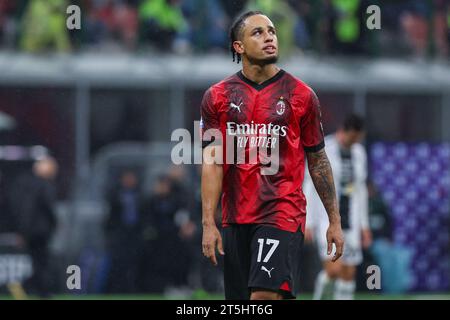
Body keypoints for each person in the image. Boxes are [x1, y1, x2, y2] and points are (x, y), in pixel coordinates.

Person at [200, 11, 344, 300]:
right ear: (238, 47)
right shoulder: (217, 97)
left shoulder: (302, 95)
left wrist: (334, 220)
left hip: (281, 212)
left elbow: (317, 160)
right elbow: (213, 162)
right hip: (235, 216)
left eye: (272, 31)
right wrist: (208, 222)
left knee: (262, 298)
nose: (269, 37)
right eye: (258, 32)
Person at [304, 114, 372, 300]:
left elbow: (360, 190)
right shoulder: (324, 148)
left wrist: (364, 225)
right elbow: (309, 185)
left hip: (351, 219)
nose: (355, 141)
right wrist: (308, 220)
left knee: (349, 273)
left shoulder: (359, 153)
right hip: (327, 219)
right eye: (354, 137)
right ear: (345, 131)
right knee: (334, 270)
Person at [8, 156, 59, 298]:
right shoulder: (43, 185)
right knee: (41, 262)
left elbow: (22, 210)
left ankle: (29, 288)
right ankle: (38, 290)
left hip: (31, 231)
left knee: (37, 262)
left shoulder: (25, 183)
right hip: (40, 232)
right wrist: (55, 223)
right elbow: (46, 208)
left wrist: (23, 231)